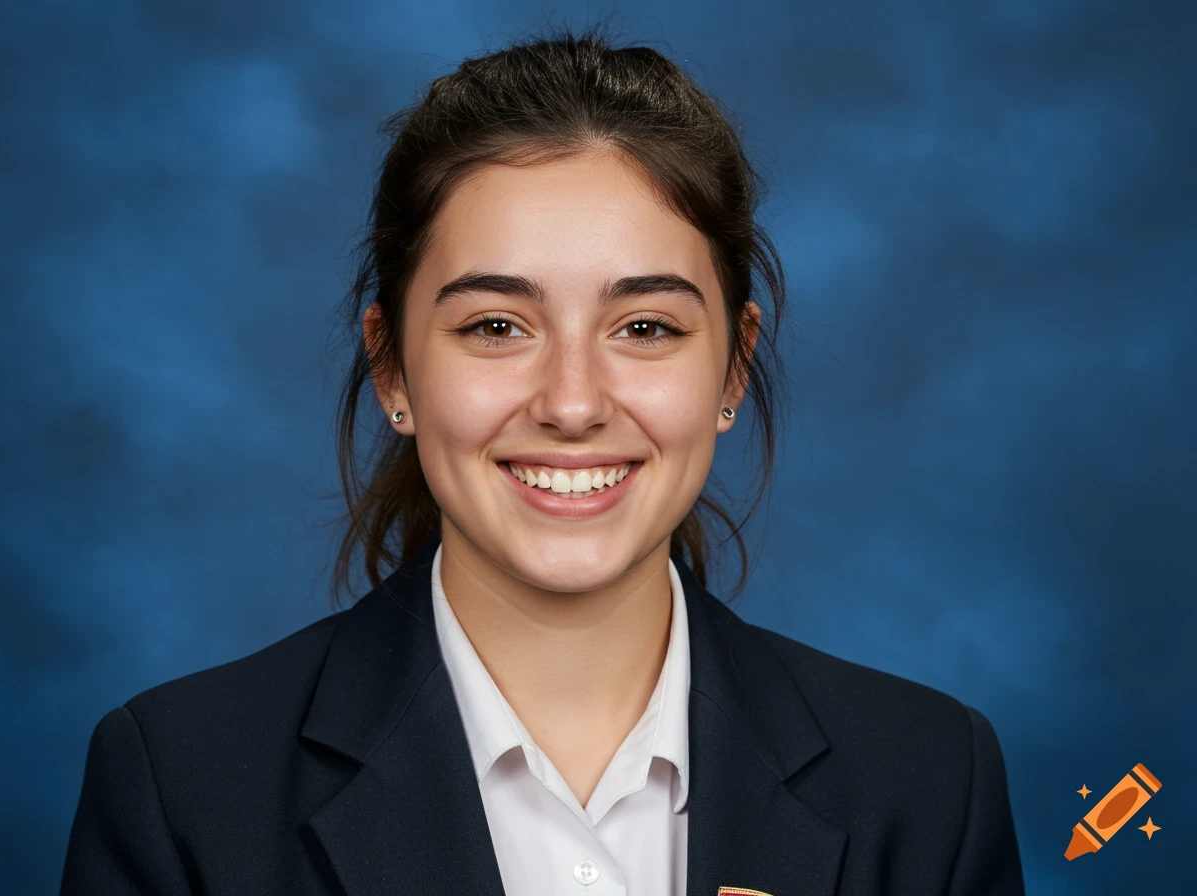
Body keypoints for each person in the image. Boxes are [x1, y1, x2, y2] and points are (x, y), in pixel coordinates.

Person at [59, 24, 1025, 896]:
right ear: (391, 364)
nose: (572, 403)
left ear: (734, 363)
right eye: (496, 325)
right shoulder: (179, 786)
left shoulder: (929, 780)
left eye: (645, 326)